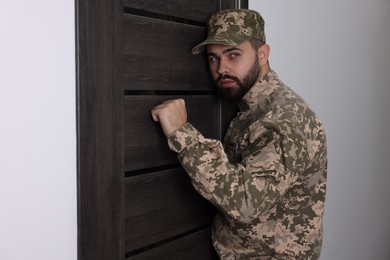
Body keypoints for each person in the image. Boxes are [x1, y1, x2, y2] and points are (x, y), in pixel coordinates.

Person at [151, 9, 327, 260]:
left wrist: (182, 134)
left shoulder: (283, 120)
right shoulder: (251, 108)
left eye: (233, 55)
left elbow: (247, 202)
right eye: (213, 58)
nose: (222, 68)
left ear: (263, 54)